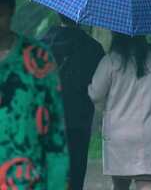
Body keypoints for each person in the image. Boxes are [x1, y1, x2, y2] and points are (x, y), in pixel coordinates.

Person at [0, 0, 69, 189]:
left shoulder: (37, 58)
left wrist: (57, 183)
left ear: (12, 12)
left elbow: (55, 131)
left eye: (0, 15)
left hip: (28, 180)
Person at [89, 33, 151, 190]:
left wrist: (106, 108)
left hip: (119, 133)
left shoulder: (111, 60)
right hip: (149, 132)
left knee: (120, 182)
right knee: (146, 181)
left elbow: (95, 94)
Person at [41, 13, 104, 190]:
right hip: (79, 120)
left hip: (48, 119)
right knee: (75, 174)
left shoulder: (42, 44)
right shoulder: (94, 48)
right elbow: (98, 86)